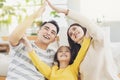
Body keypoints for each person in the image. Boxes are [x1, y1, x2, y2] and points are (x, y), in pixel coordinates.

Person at [46, 0, 120, 80]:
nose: (73, 32)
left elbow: (89, 24)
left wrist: (65, 11)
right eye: (70, 34)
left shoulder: (98, 42)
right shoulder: (78, 58)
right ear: (74, 41)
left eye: (74, 29)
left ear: (83, 28)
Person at [6, 1, 60, 80]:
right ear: (38, 31)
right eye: (46, 28)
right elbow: (12, 38)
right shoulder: (24, 42)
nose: (48, 33)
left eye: (52, 32)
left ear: (54, 39)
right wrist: (34, 16)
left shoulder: (53, 54)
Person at [23, 32, 91, 80]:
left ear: (71, 56)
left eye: (66, 51)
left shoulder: (73, 68)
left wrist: (88, 35)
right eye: (60, 51)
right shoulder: (52, 71)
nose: (63, 52)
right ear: (56, 57)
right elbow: (38, 63)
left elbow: (82, 53)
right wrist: (26, 43)